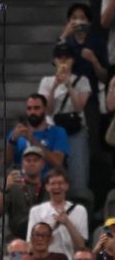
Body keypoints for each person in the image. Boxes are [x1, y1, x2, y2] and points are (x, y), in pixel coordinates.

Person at [38, 42, 92, 192]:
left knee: (78, 169)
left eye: (67, 57)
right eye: (59, 57)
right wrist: (55, 84)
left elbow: (79, 107)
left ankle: (79, 203)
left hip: (75, 130)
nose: (63, 61)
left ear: (72, 60)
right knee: (51, 169)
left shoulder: (82, 80)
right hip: (54, 129)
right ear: (54, 60)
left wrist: (69, 85)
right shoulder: (47, 81)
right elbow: (47, 110)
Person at [27, 169, 89, 260]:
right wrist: (51, 227)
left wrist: (67, 223)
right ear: (47, 187)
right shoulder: (36, 211)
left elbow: (81, 246)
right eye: (53, 184)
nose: (56, 187)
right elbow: (30, 247)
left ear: (66, 186)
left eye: (60, 183)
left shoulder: (80, 210)